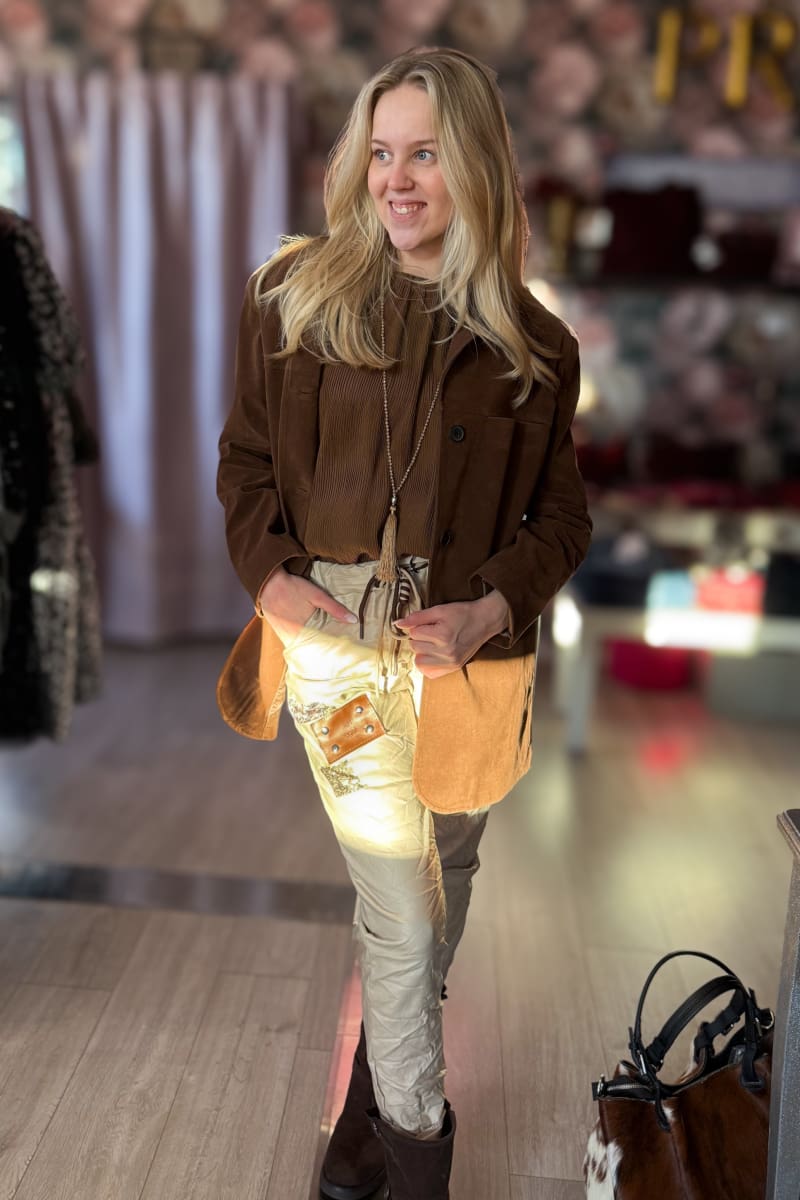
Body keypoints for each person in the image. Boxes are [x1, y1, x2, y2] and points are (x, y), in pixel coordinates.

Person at [216, 46, 591, 1200]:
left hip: (470, 660)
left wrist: (491, 607)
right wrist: (273, 581)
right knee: (398, 908)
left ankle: (361, 1117)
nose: (396, 179)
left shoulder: (535, 345)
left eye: (423, 153)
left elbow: (562, 519)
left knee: (443, 881)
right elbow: (244, 462)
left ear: (471, 164)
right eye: (380, 153)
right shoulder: (292, 297)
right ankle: (418, 1156)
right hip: (334, 646)